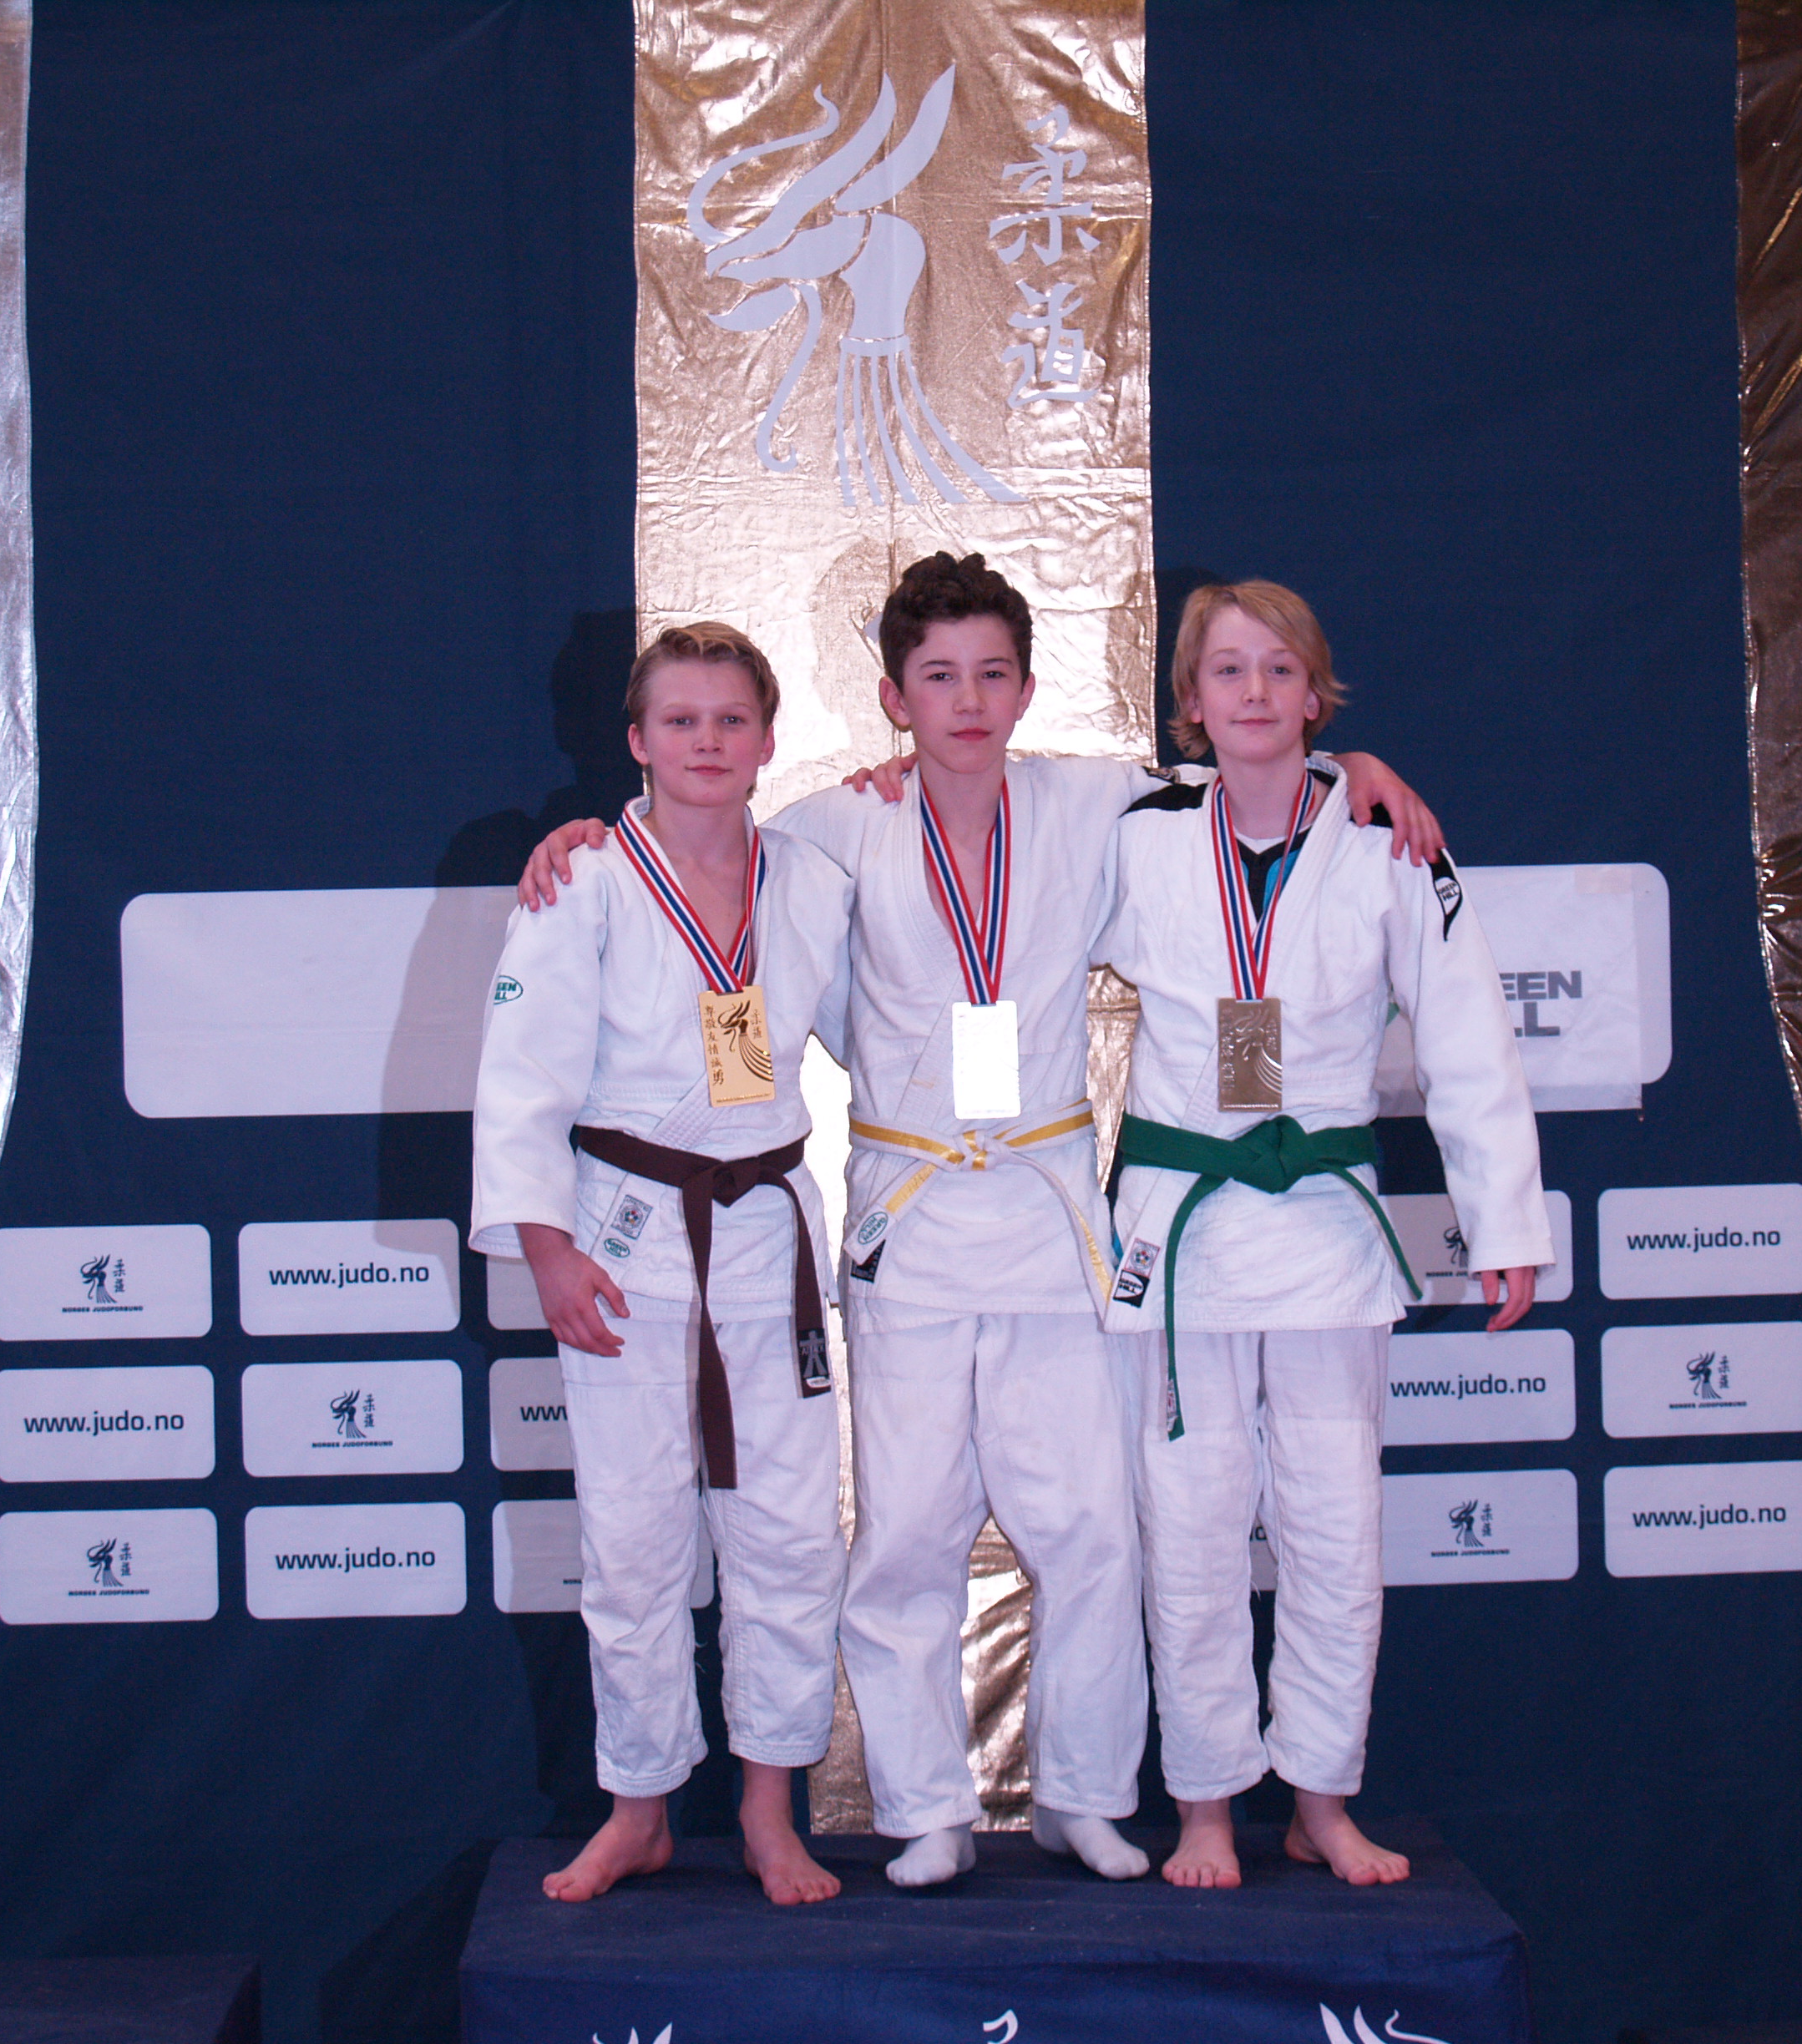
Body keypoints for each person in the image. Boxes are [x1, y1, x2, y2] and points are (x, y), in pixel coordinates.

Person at [516, 554, 1446, 1888]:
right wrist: (585, 838)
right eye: (938, 678)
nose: (967, 702)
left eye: (991, 675)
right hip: (909, 1219)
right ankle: (924, 1806)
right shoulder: (831, 830)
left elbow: (1248, 781)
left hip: (1052, 1212)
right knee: (906, 1532)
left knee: (1090, 1529)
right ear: (893, 699)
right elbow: (693, 848)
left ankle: (1082, 1793)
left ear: (1024, 687)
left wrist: (1354, 767)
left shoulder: (1097, 802)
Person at [1094, 580, 1552, 1889]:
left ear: (1316, 694)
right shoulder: (1135, 834)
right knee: (1190, 1531)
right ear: (1191, 703)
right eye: (1227, 670)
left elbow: (1467, 1033)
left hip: (1325, 1237)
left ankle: (1322, 1796)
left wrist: (1503, 1219)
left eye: (1279, 669)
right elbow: (993, 812)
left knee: (1335, 1528)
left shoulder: (1384, 842)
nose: (1253, 692)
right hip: (1184, 1233)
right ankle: (1202, 1804)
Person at [470, 622, 854, 1906]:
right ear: (635, 740)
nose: (707, 741)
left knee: (787, 1536)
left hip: (766, 1233)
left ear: (769, 739)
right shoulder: (581, 882)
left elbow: (887, 1023)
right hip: (626, 1232)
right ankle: (636, 1805)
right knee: (634, 1541)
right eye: (681, 720)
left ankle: (767, 1810)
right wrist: (547, 1252)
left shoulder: (812, 880)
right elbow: (520, 1083)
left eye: (731, 719)